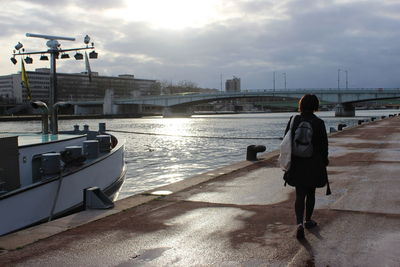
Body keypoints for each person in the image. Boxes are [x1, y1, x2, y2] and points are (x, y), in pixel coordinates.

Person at [283, 94, 329, 239]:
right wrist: (324, 160)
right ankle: (308, 220)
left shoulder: (293, 120)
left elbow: (286, 140)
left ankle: (299, 224)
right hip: (314, 162)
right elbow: (323, 145)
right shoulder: (319, 122)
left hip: (297, 163)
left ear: (301, 105)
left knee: (299, 194)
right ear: (316, 106)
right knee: (311, 194)